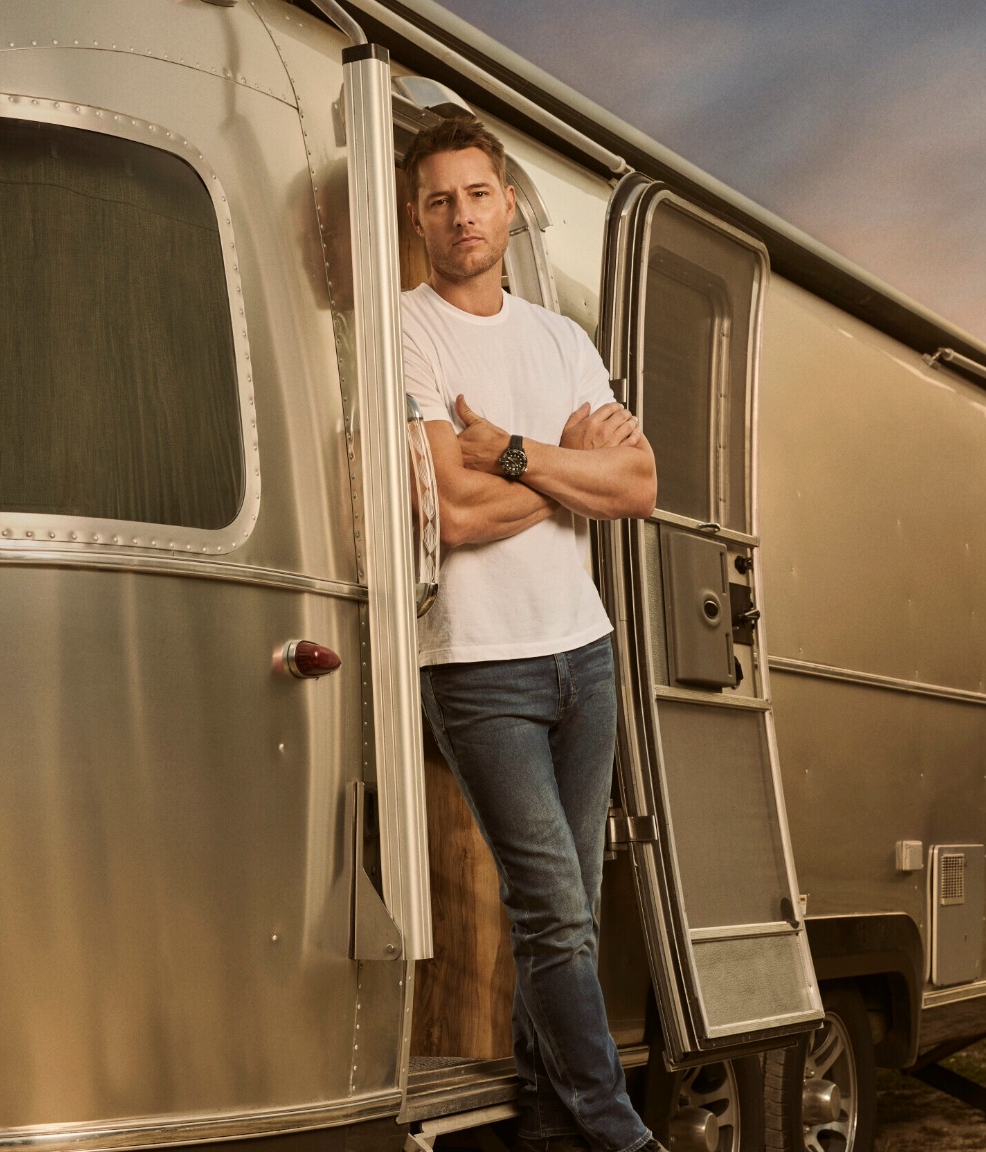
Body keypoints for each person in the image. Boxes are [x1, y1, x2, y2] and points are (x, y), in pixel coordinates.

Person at [399, 110, 661, 1152]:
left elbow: (636, 485)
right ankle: (616, 1132)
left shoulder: (562, 339)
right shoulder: (409, 328)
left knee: (570, 912)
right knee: (551, 908)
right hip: (478, 665)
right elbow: (452, 516)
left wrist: (511, 454)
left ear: (507, 204)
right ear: (416, 219)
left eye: (475, 194)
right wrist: (561, 465)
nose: (459, 216)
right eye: (436, 201)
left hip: (582, 654)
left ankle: (548, 1123)